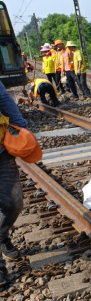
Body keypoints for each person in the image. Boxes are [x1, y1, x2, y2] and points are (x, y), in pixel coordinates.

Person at [0, 80, 29, 287]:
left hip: (1, 151)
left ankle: (2, 236)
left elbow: (4, 99)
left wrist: (23, 128)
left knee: (14, 203)